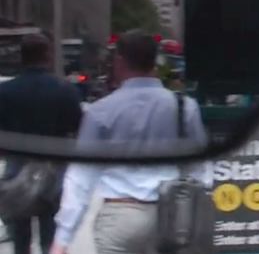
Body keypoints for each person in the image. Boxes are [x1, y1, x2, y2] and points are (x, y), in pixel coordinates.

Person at [49, 30, 211, 254]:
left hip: (120, 217)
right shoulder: (184, 107)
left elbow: (81, 177)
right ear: (155, 61)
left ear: (119, 61)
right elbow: (200, 167)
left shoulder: (101, 111)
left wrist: (62, 238)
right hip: (170, 216)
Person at [0, 34, 83, 254]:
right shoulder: (65, 90)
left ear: (22, 57)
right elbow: (77, 129)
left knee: (19, 240)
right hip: (54, 174)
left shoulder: (5, 92)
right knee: (51, 238)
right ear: (48, 56)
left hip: (17, 173)